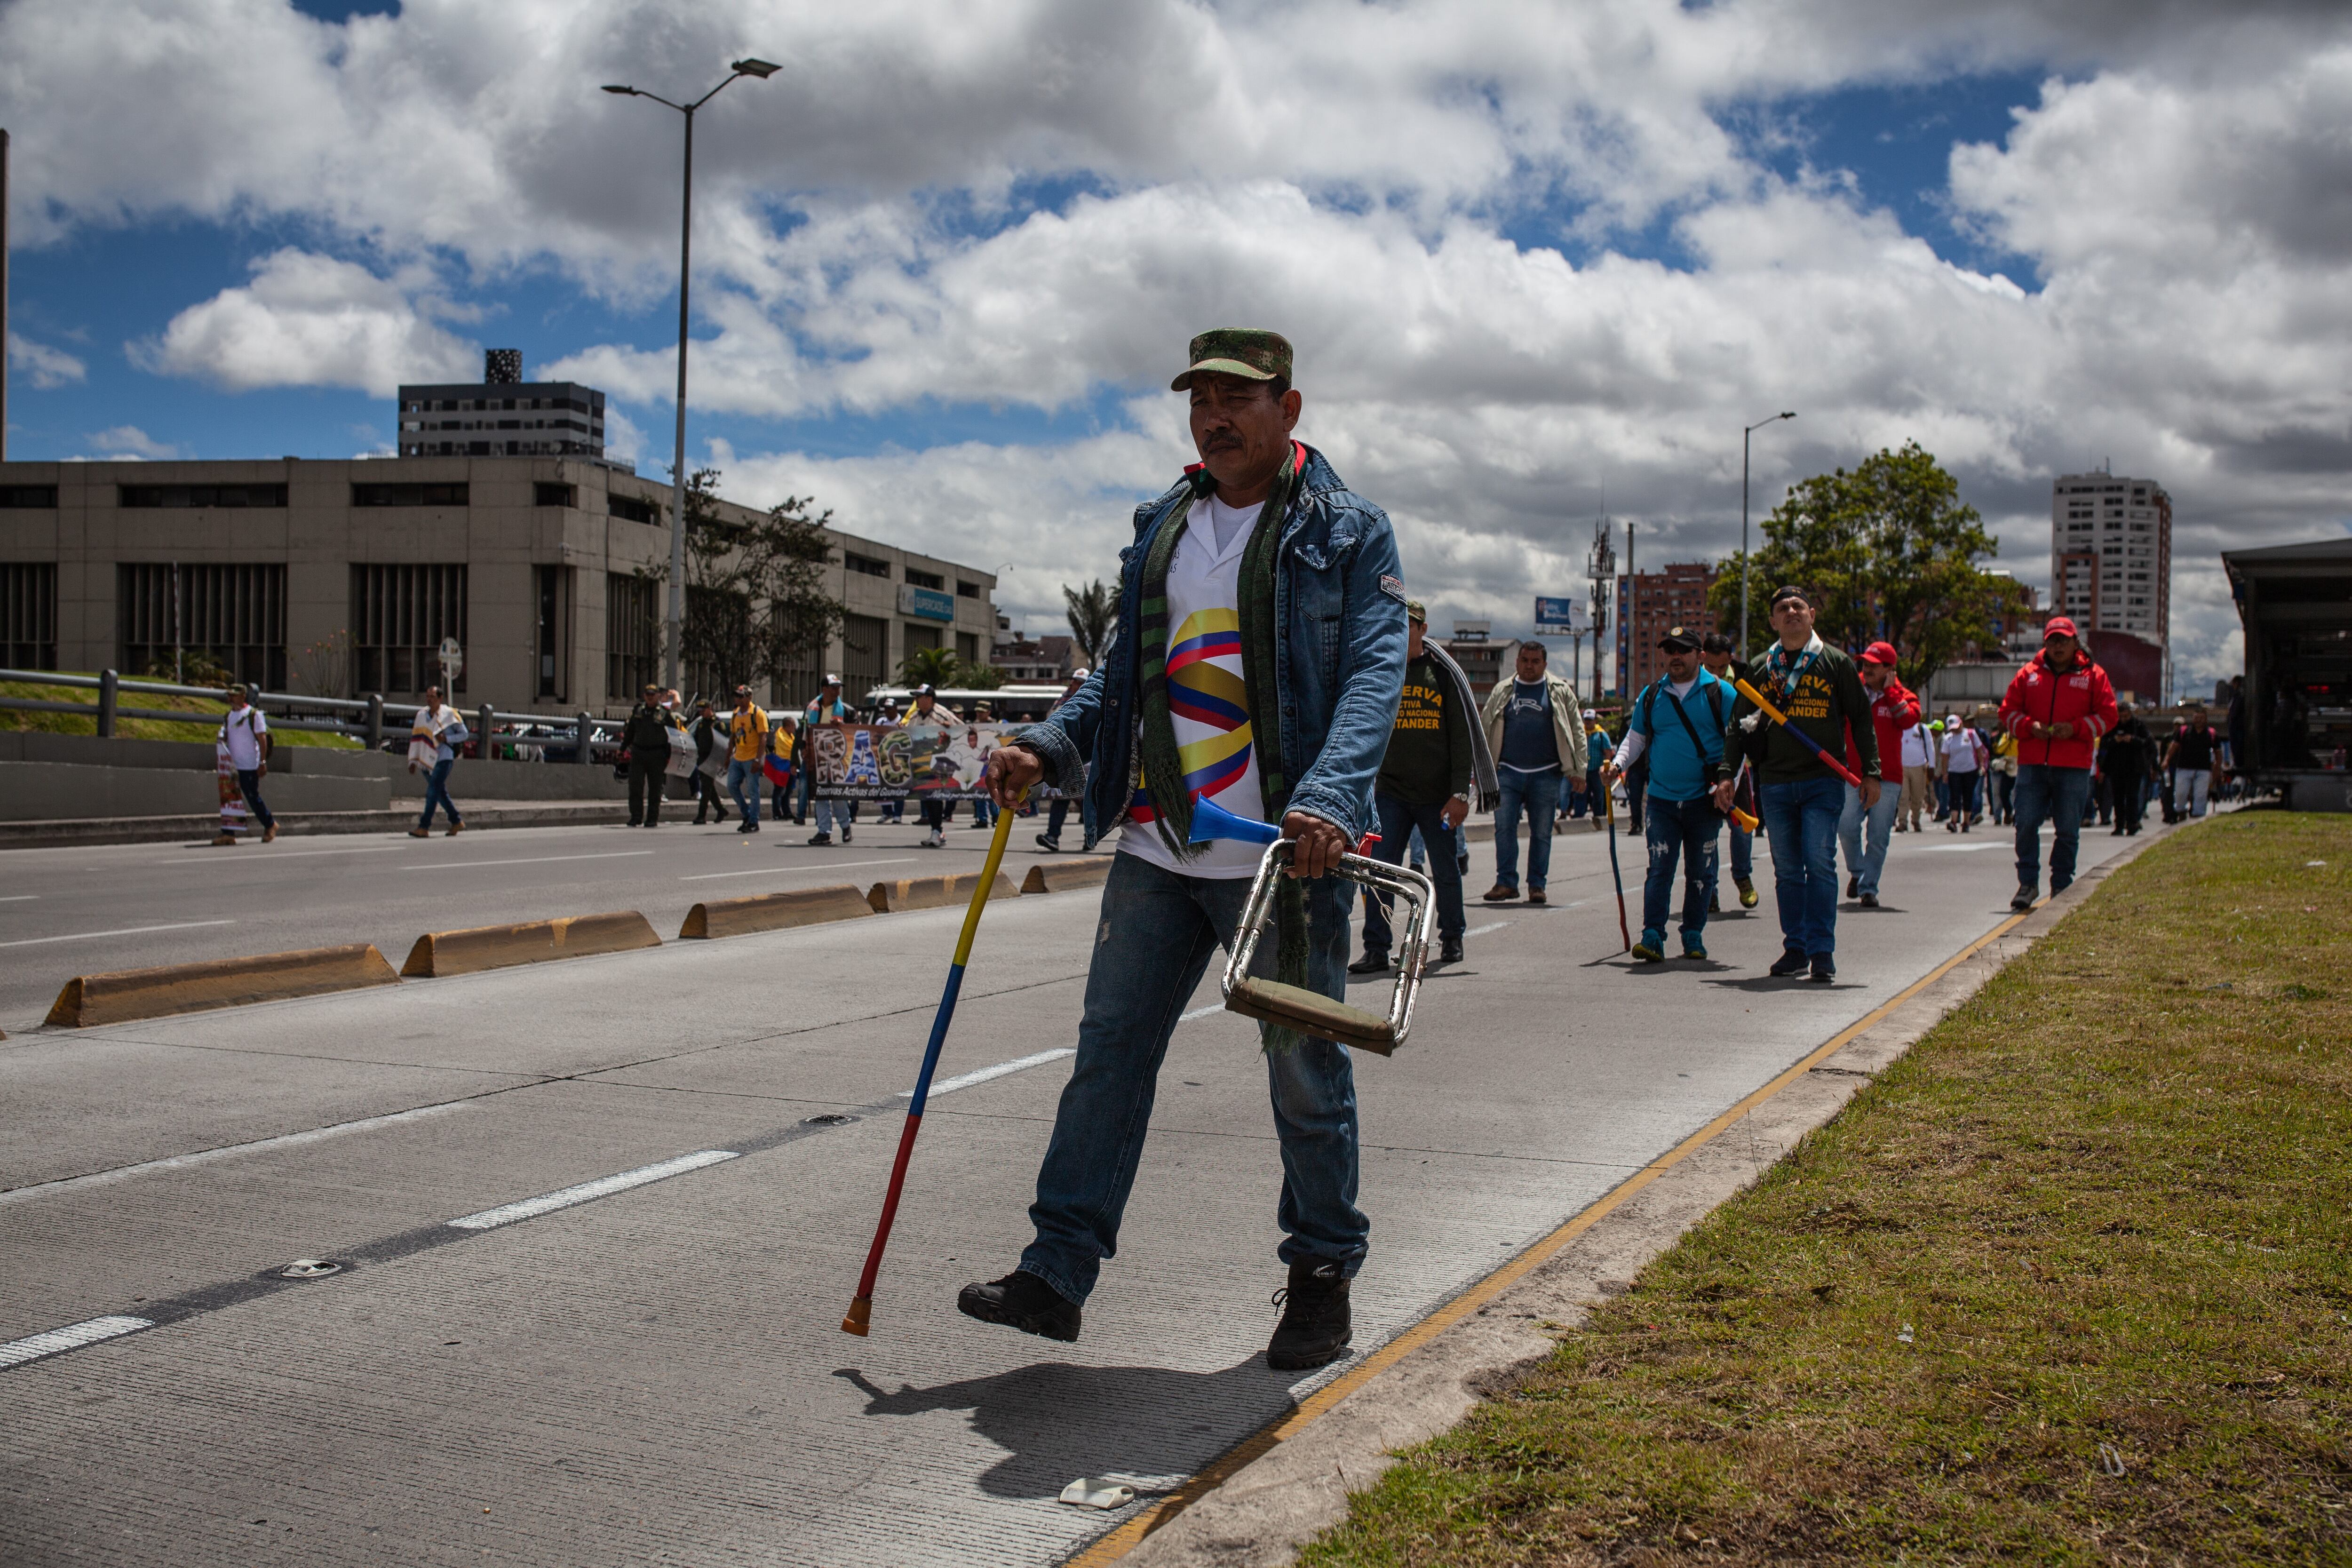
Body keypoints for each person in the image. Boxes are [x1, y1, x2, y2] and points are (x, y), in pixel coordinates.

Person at [962, 327, 1405, 1371]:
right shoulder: (1163, 523)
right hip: (1162, 842)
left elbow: (1374, 672)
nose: (1215, 415)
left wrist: (1330, 800)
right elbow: (1121, 674)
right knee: (1107, 1055)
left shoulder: (1346, 532)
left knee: (1302, 1066)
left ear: (1287, 410)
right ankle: (1056, 1273)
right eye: (1200, 398)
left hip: (1284, 853)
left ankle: (1322, 1275)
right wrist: (1047, 742)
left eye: (1238, 398)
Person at [1715, 586, 1878, 983]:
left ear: (1811, 616)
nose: (1791, 612)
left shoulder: (1835, 662)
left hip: (1823, 779)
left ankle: (1823, 951)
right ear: (1773, 621)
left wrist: (1871, 770)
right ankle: (1796, 948)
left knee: (1819, 862)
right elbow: (1737, 727)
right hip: (1774, 782)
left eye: (1798, 606)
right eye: (1782, 609)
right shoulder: (1759, 666)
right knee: (1787, 869)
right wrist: (1725, 774)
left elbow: (1860, 718)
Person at [1351, 599, 1489, 972]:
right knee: (1379, 872)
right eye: (1396, 622)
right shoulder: (1384, 670)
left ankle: (1452, 938)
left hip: (1437, 797)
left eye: (1409, 624)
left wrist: (1461, 794)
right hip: (1392, 794)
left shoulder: (1442, 674)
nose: (1402, 629)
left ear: (1423, 629)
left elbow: (1462, 740)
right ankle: (1377, 948)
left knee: (1444, 871)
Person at [1608, 627, 1732, 962]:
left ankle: (1693, 934)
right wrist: (1618, 765)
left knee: (1701, 872)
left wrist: (1728, 780)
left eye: (1684, 650)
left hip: (1703, 801)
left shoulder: (1722, 693)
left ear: (1700, 655)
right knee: (1660, 868)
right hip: (1662, 800)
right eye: (1670, 650)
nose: (1676, 656)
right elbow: (1635, 740)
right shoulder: (1652, 695)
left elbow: (1738, 744)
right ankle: (1652, 935)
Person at [1999, 616, 2118, 911]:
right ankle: (2028, 884)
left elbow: (2109, 716)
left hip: (2074, 766)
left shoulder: (2094, 676)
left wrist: (2076, 728)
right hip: (2032, 764)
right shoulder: (2028, 675)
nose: (2058, 645)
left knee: (2068, 829)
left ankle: (2062, 884)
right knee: (2025, 823)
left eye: (2064, 640)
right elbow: (2008, 712)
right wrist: (2029, 726)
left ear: (2076, 643)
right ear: (2045, 644)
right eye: (2053, 640)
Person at [1478, 641, 1587, 905]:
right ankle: (1506, 883)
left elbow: (1577, 730)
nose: (1529, 666)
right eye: (1525, 660)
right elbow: (1484, 728)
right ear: (1517, 663)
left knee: (1541, 832)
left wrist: (1579, 770)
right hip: (1506, 772)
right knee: (1504, 829)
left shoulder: (1559, 691)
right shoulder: (1503, 690)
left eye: (1535, 661)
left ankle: (1537, 886)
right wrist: (1481, 770)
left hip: (1547, 774)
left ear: (1545, 664)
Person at [1840, 641, 1917, 907]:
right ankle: (1858, 872)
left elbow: (1908, 720)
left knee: (1878, 836)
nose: (1867, 668)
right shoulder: (1850, 690)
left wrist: (1892, 692)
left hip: (1888, 778)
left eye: (1875, 665)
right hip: (1853, 775)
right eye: (1865, 663)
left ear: (1890, 669)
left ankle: (1868, 889)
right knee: (1846, 826)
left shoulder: (1903, 695)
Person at [1698, 634, 1759, 911]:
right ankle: (1709, 889)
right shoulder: (1691, 681)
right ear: (1701, 658)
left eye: (1723, 669)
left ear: (1732, 660)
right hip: (1704, 765)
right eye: (1711, 669)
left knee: (1742, 827)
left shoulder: (1748, 676)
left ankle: (1743, 877)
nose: (1717, 675)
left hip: (1737, 765)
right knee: (1706, 830)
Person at [1035, 668, 1093, 852]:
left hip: (1086, 759)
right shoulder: (1062, 703)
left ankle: (1090, 837)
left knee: (1088, 800)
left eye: (1079, 682)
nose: (1074, 685)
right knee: (1060, 796)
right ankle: (1052, 836)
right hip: (1064, 756)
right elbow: (1050, 721)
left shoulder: (1093, 701)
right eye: (1074, 681)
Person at [217, 686, 277, 844]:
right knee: (230, 799)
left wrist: (262, 762)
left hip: (249, 765)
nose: (230, 699)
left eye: (234, 696)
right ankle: (229, 833)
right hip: (232, 766)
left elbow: (262, 739)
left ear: (243, 696)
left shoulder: (254, 715)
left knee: (252, 797)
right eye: (229, 696)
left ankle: (270, 824)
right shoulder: (229, 716)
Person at [899, 684, 957, 848]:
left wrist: (951, 729)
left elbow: (963, 729)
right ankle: (937, 830)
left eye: (919, 697)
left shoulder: (942, 714)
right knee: (928, 798)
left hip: (941, 762)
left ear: (929, 699)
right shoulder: (915, 717)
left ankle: (937, 831)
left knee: (935, 796)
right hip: (923, 765)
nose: (916, 700)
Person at [407, 685, 467, 838]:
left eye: (433, 697)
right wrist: (413, 760)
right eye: (428, 696)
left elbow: (464, 734)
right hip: (426, 760)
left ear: (441, 698)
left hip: (444, 758)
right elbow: (417, 738)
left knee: (433, 791)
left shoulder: (450, 715)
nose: (430, 699)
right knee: (440, 793)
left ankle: (424, 826)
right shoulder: (422, 715)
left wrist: (447, 738)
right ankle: (456, 821)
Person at [802, 676, 854, 844]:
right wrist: (803, 749)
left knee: (838, 795)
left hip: (839, 760)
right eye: (833, 688)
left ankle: (846, 826)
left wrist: (842, 727)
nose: (837, 691)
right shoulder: (811, 709)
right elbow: (804, 732)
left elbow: (857, 734)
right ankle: (824, 831)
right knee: (821, 795)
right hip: (818, 760)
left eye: (838, 688)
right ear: (824, 689)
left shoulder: (847, 711)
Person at [2098, 703, 2156, 836]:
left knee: (2132, 797)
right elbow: (2105, 744)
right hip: (2117, 768)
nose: (2124, 719)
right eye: (2121, 716)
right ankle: (2119, 825)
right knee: (2118, 798)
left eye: (2126, 716)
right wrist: (2115, 740)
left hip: (2134, 767)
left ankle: (2132, 824)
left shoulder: (2138, 725)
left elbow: (2147, 742)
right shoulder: (2114, 725)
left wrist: (2133, 740)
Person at [622, 683, 674, 828]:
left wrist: (671, 755)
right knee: (635, 786)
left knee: (655, 789)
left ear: (658, 696)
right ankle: (636, 816)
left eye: (653, 695)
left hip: (657, 754)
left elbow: (674, 735)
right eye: (648, 695)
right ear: (645, 696)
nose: (650, 697)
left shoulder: (664, 713)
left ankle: (652, 818)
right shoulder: (638, 711)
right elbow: (630, 732)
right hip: (639, 753)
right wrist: (623, 748)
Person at [2165, 702, 2222, 820]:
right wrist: (2166, 760)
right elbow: (2173, 747)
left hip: (2203, 770)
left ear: (2206, 719)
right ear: (2193, 719)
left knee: (2200, 796)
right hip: (2184, 768)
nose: (2199, 721)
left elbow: (2218, 753)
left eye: (2202, 718)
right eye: (2197, 718)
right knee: (2180, 794)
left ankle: (2197, 817)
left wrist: (2217, 768)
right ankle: (2181, 814)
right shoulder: (2184, 731)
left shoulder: (2212, 734)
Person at [725, 685, 769, 833]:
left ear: (749, 697)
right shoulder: (735, 714)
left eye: (741, 696)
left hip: (752, 758)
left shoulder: (757, 713)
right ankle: (747, 814)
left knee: (753, 791)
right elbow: (733, 736)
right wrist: (728, 757)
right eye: (736, 696)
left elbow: (763, 737)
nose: (738, 699)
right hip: (738, 757)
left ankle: (754, 821)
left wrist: (758, 760)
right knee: (731, 786)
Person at [1939, 708, 1988, 832]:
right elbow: (1945, 757)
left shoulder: (1971, 734)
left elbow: (1979, 751)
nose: (1955, 730)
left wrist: (1982, 765)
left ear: (1961, 723)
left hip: (1970, 770)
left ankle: (1966, 823)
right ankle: (1954, 822)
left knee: (1968, 796)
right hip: (1955, 771)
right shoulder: (1948, 739)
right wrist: (1945, 773)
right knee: (1955, 796)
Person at [689, 700, 730, 825]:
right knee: (709, 787)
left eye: (703, 710)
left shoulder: (717, 723)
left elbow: (723, 742)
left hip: (713, 758)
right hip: (702, 758)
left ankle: (702, 815)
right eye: (700, 711)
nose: (701, 713)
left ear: (709, 709)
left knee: (706, 788)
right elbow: (696, 738)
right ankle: (721, 810)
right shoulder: (702, 723)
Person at [1896, 712, 1933, 833]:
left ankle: (1916, 820)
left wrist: (1931, 766)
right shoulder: (1898, 727)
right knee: (1903, 797)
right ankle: (1902, 822)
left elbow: (1930, 746)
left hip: (1919, 767)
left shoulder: (1922, 729)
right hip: (1902, 767)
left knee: (1918, 796)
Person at [1582, 711, 1613, 833]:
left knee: (1599, 795)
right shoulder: (1581, 733)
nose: (1588, 722)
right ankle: (1580, 817)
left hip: (1597, 770)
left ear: (1595, 720)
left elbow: (1608, 751)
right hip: (1584, 770)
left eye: (1590, 720)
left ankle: (1599, 817)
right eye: (1586, 720)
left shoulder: (1601, 734)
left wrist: (1607, 767)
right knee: (1581, 795)